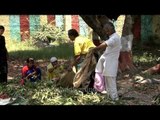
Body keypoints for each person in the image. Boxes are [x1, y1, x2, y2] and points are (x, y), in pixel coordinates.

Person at [92, 22, 121, 100]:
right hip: (108, 64)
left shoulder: (114, 37)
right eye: (105, 29)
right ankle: (110, 98)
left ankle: (115, 99)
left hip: (111, 64)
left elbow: (105, 44)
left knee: (111, 83)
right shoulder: (112, 37)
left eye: (107, 29)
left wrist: (95, 49)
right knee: (108, 84)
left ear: (112, 28)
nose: (106, 31)